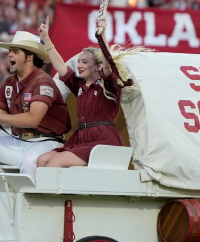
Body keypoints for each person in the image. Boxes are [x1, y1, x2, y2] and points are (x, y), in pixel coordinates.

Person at [0, 30, 71, 178]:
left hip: (47, 143)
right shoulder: (7, 84)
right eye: (10, 51)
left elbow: (33, 120)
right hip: (19, 142)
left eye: (15, 51)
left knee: (29, 160)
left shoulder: (43, 81)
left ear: (30, 57)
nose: (9, 55)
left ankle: (32, 200)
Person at [35, 13, 129, 169]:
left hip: (103, 140)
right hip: (82, 138)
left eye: (84, 62)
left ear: (97, 67)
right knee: (42, 161)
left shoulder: (108, 84)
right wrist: (46, 39)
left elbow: (108, 64)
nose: (79, 65)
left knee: (55, 163)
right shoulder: (79, 86)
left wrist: (102, 35)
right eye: (78, 62)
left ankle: (58, 193)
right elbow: (60, 66)